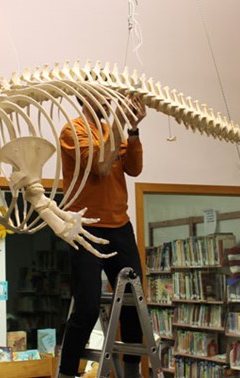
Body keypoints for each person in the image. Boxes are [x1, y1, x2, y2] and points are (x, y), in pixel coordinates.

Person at [57, 91, 147, 378]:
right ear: (85, 97)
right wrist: (121, 120)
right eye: (102, 95)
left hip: (120, 225)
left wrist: (132, 130)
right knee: (86, 308)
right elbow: (100, 166)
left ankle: (132, 372)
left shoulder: (115, 131)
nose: (109, 101)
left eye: (111, 97)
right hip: (85, 226)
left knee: (134, 302)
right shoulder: (73, 130)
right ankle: (69, 372)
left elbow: (134, 168)